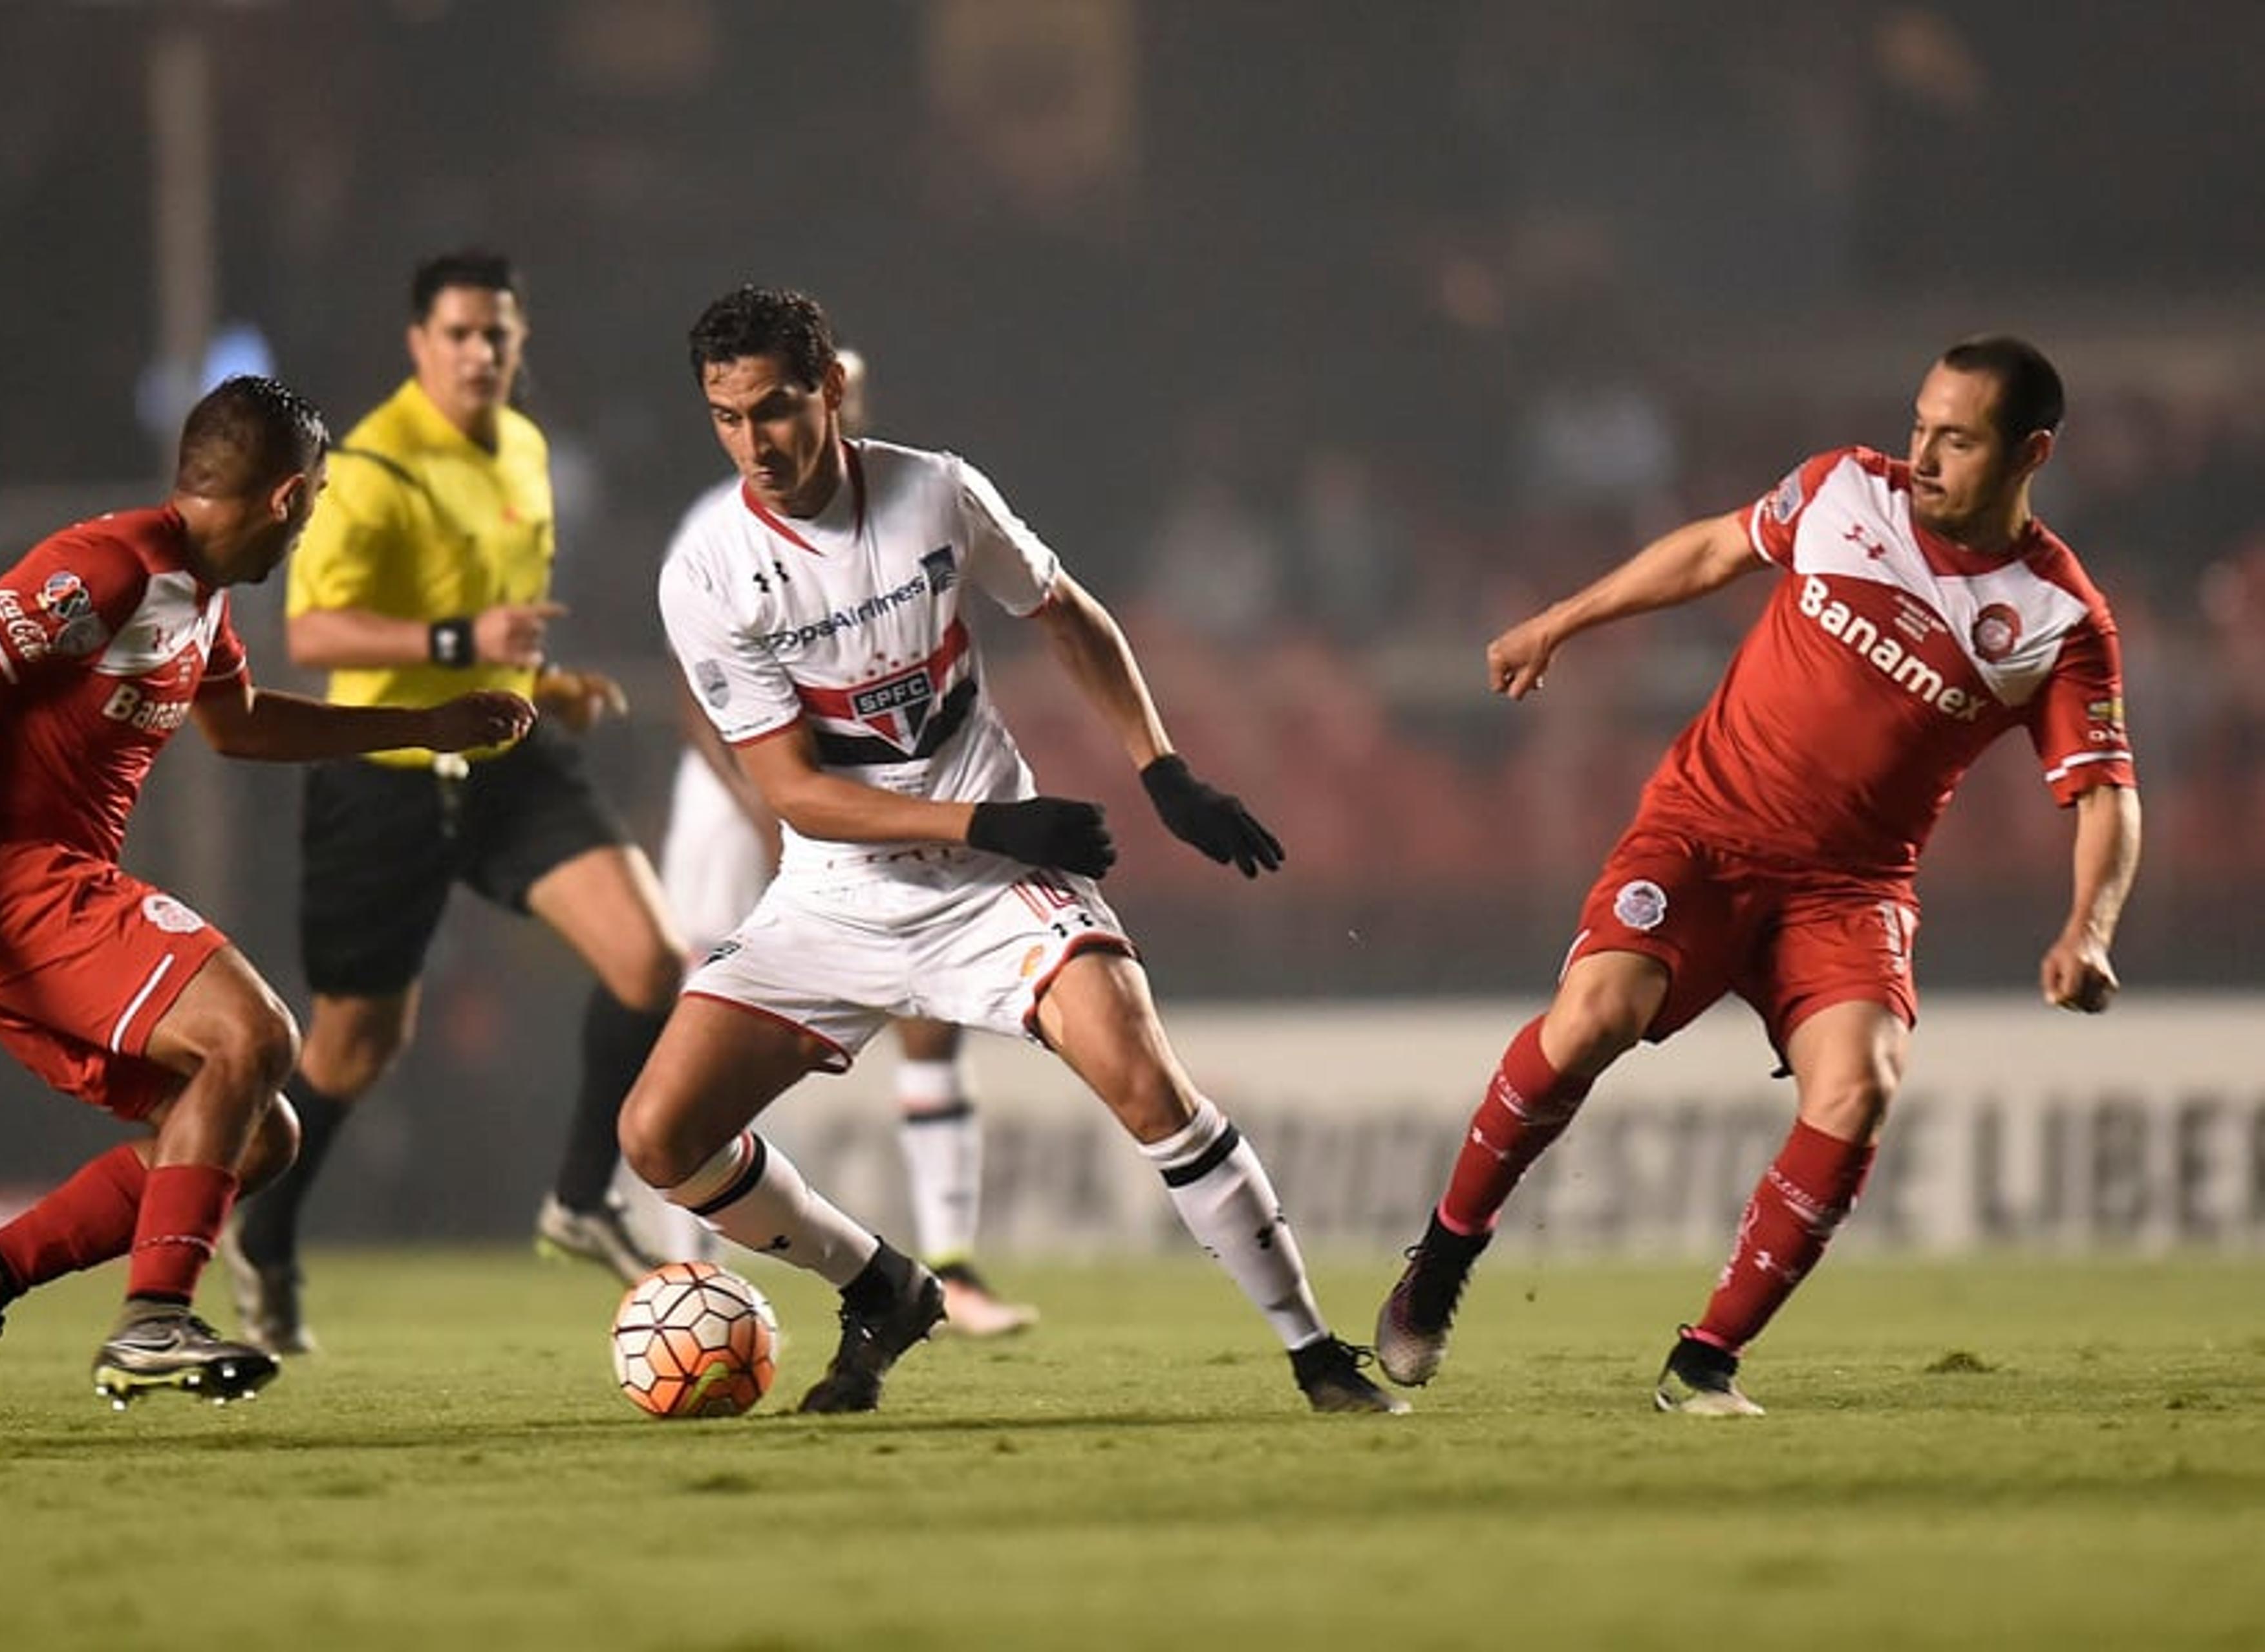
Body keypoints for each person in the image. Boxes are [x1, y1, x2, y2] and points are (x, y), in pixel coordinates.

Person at [634, 283, 1400, 1416]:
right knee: (660, 1135)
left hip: (997, 886)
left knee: (1147, 1083)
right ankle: (881, 1285)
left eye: (779, 408)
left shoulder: (934, 493)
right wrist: (986, 821)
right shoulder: (705, 572)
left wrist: (1162, 768)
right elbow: (798, 795)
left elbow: (1067, 612)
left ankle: (1316, 1352)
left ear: (831, 390)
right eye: (728, 417)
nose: (757, 442)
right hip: (841, 892)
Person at [1376, 336, 2141, 1415]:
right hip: (1704, 832)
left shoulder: (2059, 618)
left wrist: (2089, 927)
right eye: (1920, 425)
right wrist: (1561, 620)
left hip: (1851, 887)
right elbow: (1709, 552)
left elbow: (2104, 791)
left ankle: (1704, 1364)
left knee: (1862, 1083)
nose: (1923, 454)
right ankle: (1444, 1259)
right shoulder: (1842, 491)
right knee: (1595, 1014)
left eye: (1957, 440)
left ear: (2032, 454)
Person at [0, 376, 535, 1446]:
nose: (314, 519)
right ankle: (153, 1321)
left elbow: (241, 728)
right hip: (11, 888)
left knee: (255, 1136)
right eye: (315, 499)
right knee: (256, 1034)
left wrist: (427, 725)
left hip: (42, 899)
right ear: (285, 497)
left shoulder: (195, 592)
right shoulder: (109, 565)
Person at [223, 250, 687, 1355]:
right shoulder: (373, 466)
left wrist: (544, 681)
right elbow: (312, 633)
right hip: (384, 775)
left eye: (499, 334)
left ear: (520, 342)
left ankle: (580, 1198)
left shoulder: (526, 448)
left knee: (653, 961)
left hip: (510, 760)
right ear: (418, 343)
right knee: (356, 1043)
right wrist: (458, 644)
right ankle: (266, 1230)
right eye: (461, 334)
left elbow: (502, 614)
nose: (482, 352)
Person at [658, 347, 1037, 1338]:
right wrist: (765, 808)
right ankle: (686, 1261)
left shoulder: (907, 497)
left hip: (863, 806)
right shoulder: (718, 540)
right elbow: (700, 704)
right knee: (710, 1018)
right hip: (747, 799)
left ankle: (951, 1266)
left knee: (929, 1019)